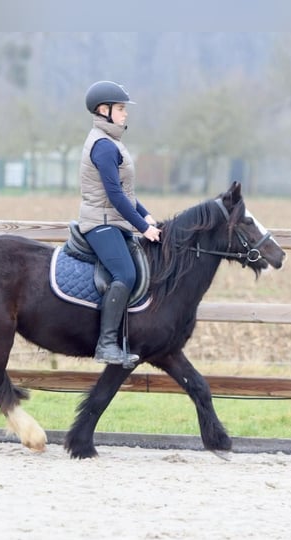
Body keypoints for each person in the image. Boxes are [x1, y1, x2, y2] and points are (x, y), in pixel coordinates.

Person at [77, 80, 162, 367]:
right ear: (104, 110)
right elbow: (114, 195)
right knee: (125, 273)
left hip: (112, 220)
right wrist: (143, 227)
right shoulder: (102, 146)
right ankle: (106, 345)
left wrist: (146, 214)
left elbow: (125, 193)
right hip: (100, 222)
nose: (125, 114)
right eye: (121, 108)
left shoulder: (111, 142)